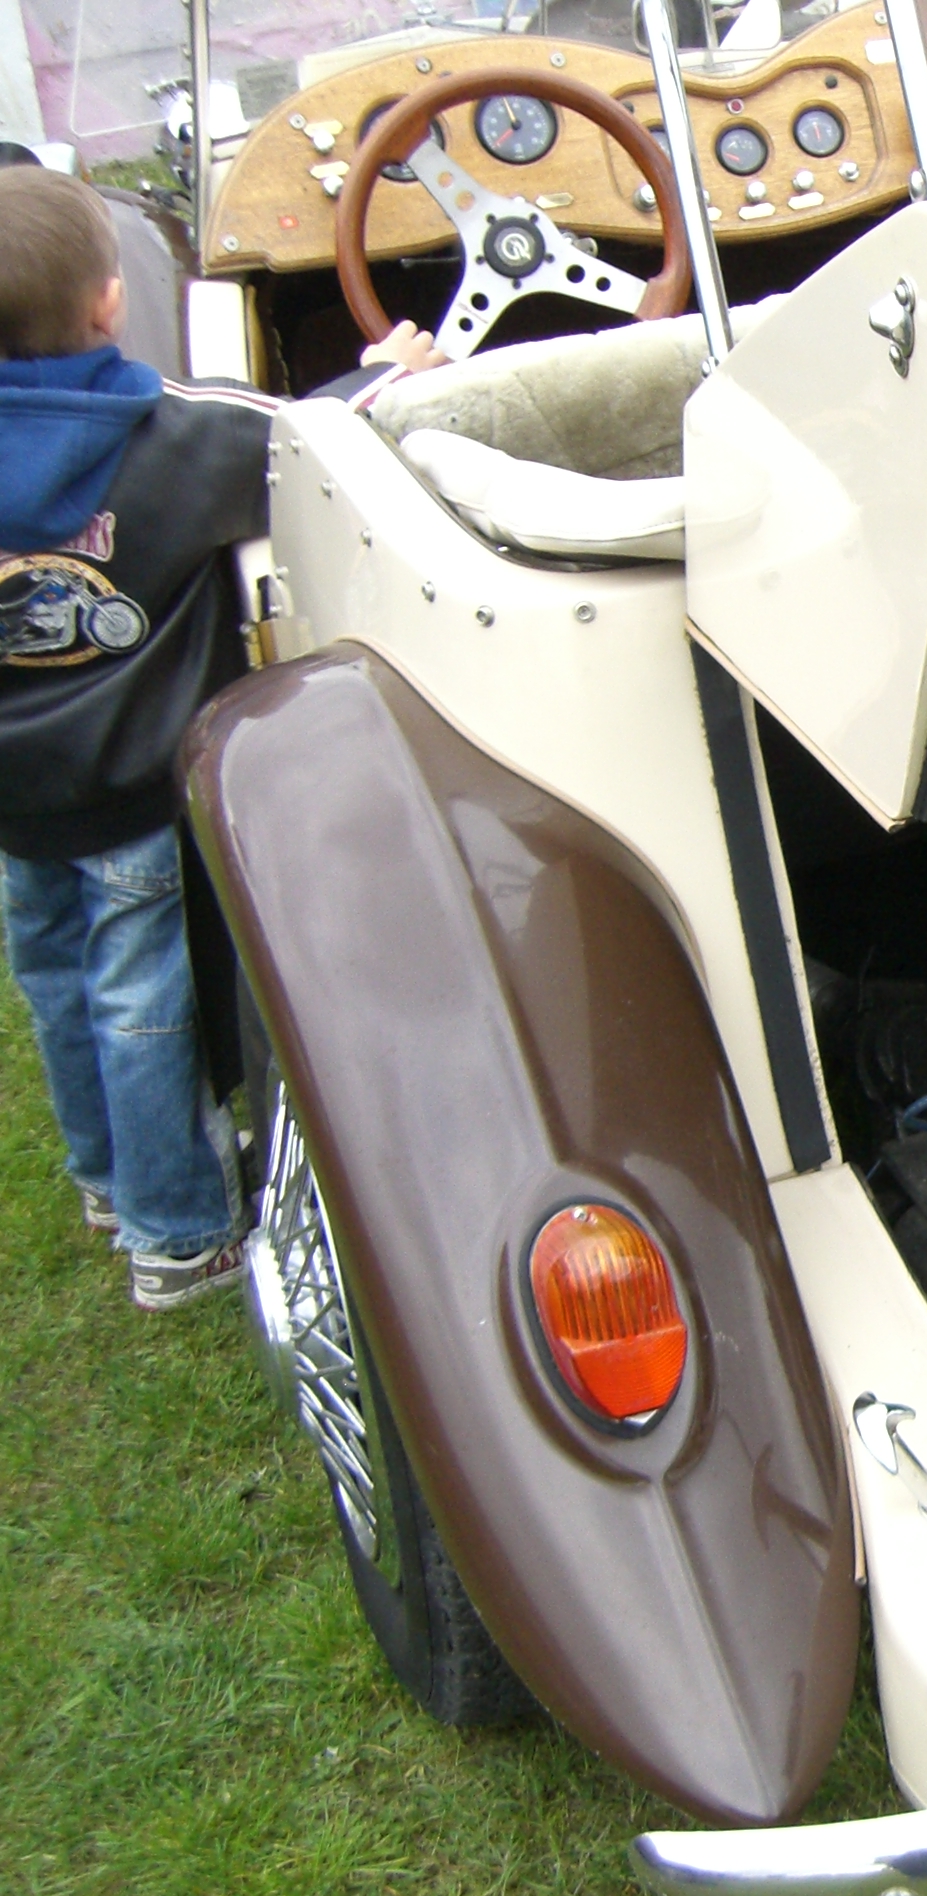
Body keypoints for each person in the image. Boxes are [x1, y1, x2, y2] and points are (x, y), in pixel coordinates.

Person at [0, 166, 440, 1309]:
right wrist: (391, 369)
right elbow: (306, 439)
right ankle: (178, 1231)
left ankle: (107, 1179)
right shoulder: (166, 432)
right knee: (141, 1000)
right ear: (109, 303)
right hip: (132, 788)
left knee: (56, 979)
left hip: (16, 795)